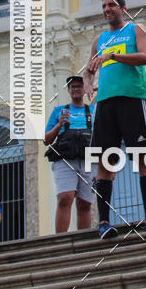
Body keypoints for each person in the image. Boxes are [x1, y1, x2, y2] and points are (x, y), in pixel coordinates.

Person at [83, 0, 146, 239]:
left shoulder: (136, 29)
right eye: (104, 6)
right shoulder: (99, 39)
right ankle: (104, 222)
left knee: (143, 158)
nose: (107, 9)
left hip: (132, 99)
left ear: (123, 8)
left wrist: (112, 56)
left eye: (112, 5)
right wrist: (87, 85)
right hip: (105, 104)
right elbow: (89, 70)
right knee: (105, 163)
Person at [44, 76, 95, 234]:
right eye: (72, 87)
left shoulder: (93, 111)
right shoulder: (59, 111)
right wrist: (59, 124)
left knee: (85, 203)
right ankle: (60, 240)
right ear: (68, 90)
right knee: (65, 197)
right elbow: (46, 139)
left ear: (84, 89)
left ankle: (83, 240)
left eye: (79, 86)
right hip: (65, 159)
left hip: (88, 159)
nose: (76, 89)